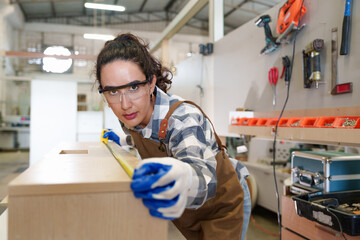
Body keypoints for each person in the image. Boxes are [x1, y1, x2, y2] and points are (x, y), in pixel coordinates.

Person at [95, 33, 251, 240]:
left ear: (151, 84)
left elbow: (203, 178)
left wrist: (185, 176)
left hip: (223, 207)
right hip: (189, 212)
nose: (124, 104)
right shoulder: (130, 117)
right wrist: (122, 141)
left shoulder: (183, 118)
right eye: (113, 92)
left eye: (133, 87)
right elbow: (142, 137)